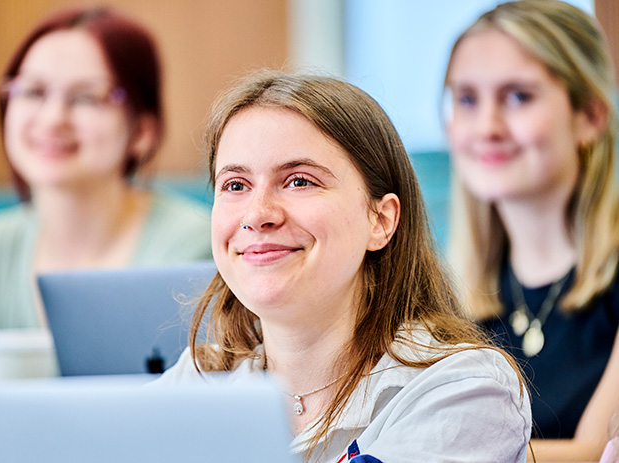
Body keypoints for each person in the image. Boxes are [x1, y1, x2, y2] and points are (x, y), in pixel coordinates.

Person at [0, 7, 212, 445]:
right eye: (31, 92)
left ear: (142, 130)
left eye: (86, 97)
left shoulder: (199, 247)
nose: (52, 118)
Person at [154, 70, 531, 463]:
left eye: (299, 181)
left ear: (381, 220)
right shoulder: (199, 380)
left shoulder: (464, 389)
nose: (258, 213)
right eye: (235, 185)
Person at [443, 0, 619, 460]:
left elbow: (596, 453)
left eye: (518, 97)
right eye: (466, 99)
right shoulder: (448, 296)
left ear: (590, 117)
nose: (487, 127)